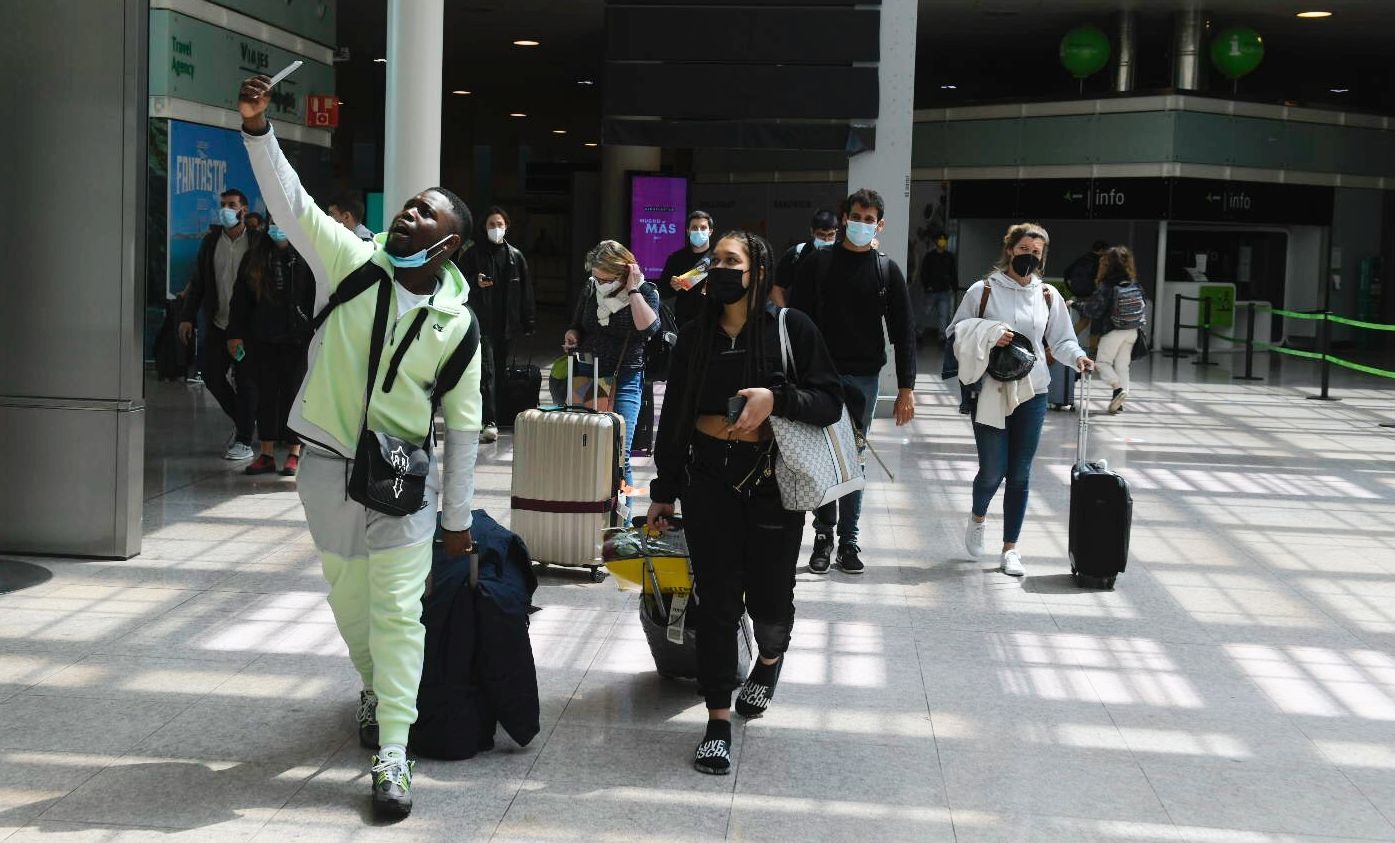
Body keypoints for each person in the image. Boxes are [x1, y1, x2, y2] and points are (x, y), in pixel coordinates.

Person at [238, 74, 483, 819]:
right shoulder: (350, 264)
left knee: (397, 611)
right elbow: (292, 205)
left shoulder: (458, 326)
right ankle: (374, 687)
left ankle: (395, 752)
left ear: (449, 244)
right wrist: (258, 130)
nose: (408, 213)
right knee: (351, 607)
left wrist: (458, 521)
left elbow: (463, 428)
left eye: (425, 212)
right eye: (409, 204)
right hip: (325, 470)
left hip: (402, 484)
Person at [646, 230, 844, 776]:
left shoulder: (790, 328)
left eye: (731, 261)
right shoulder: (694, 336)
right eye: (715, 262)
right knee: (716, 601)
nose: (720, 269)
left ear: (757, 270)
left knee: (770, 602)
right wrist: (664, 490)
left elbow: (830, 400)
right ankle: (716, 721)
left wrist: (776, 398)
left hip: (772, 482)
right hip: (707, 478)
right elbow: (676, 417)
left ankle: (770, 659)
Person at [949, 223, 1093, 579]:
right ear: (1010, 249)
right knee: (993, 470)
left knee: (1020, 474)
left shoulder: (1048, 295)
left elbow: (1061, 338)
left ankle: (1010, 548)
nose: (1029, 256)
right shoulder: (982, 291)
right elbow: (955, 331)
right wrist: (989, 335)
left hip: (1033, 391)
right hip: (991, 390)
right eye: (1024, 248)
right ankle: (978, 517)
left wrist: (1078, 357)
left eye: (1036, 252)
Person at [788, 188, 917, 575]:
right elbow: (796, 320)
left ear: (880, 224)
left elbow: (903, 330)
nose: (861, 224)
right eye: (856, 216)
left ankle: (849, 539)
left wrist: (906, 388)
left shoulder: (885, 269)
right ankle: (824, 535)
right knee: (827, 456)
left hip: (864, 376)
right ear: (844, 218)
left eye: (869, 219)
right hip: (819, 375)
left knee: (854, 457)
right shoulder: (818, 263)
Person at [564, 240, 661, 492]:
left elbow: (648, 328)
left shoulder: (646, 291)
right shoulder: (590, 288)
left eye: (606, 279)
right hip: (589, 374)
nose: (600, 283)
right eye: (596, 277)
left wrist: (633, 290)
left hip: (625, 376)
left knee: (619, 454)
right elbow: (578, 323)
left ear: (624, 273)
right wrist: (573, 335)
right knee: (587, 448)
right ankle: (589, 511)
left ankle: (622, 524)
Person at [227, 221, 316, 476]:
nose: (278, 228)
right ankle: (265, 453)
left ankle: (294, 452)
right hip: (261, 337)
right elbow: (240, 300)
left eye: (283, 222)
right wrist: (235, 334)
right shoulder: (255, 256)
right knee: (265, 396)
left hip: (296, 339)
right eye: (274, 223)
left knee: (293, 395)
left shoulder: (305, 256)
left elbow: (315, 297)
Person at [179, 188, 261, 461]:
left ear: (243, 210)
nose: (226, 209)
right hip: (217, 321)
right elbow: (199, 282)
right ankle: (245, 422)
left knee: (248, 381)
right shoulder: (211, 242)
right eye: (223, 204)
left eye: (232, 204)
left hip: (248, 327)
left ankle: (244, 440)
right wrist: (187, 316)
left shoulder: (257, 242)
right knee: (212, 375)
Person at [454, 206, 536, 442]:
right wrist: (475, 283)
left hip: (506, 325)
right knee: (486, 372)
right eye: (492, 225)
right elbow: (457, 284)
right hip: (481, 322)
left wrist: (528, 320)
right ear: (484, 228)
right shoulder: (472, 255)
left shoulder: (515, 256)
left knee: (499, 371)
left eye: (500, 224)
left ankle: (496, 416)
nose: (496, 229)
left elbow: (525, 290)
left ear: (507, 226)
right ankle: (488, 420)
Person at [1071, 245, 1145, 414]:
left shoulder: (1107, 286)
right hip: (1132, 331)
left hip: (1113, 331)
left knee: (1102, 363)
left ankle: (1118, 389)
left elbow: (1093, 310)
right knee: (1122, 366)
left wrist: (1075, 304)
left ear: (1108, 265)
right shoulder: (1134, 284)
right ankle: (1119, 403)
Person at [770, 209, 838, 307]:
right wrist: (785, 317)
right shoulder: (797, 253)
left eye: (831, 235)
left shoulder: (842, 254)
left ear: (836, 232)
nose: (826, 240)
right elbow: (776, 288)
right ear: (812, 232)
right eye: (821, 235)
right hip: (801, 317)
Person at [660, 210, 716, 328]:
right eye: (694, 228)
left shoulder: (718, 258)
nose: (699, 231)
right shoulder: (676, 258)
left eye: (703, 227)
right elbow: (663, 291)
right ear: (688, 231)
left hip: (713, 320)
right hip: (683, 322)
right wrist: (672, 286)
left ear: (710, 231)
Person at [919, 235, 958, 341]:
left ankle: (942, 336)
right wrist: (927, 286)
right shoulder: (930, 256)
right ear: (936, 241)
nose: (942, 241)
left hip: (944, 290)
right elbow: (924, 272)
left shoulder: (949, 257)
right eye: (940, 239)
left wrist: (954, 287)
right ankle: (919, 332)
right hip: (931, 291)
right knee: (925, 313)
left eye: (944, 239)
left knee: (943, 315)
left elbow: (953, 273)